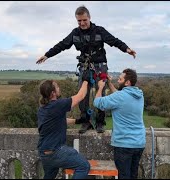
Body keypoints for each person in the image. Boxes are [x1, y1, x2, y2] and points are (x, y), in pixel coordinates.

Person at [36, 5, 137, 134]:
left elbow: (114, 41)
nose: (82, 23)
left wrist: (127, 49)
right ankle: (86, 121)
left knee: (101, 94)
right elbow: (62, 45)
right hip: (85, 66)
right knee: (83, 95)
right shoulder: (75, 33)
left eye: (84, 20)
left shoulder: (99, 31)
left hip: (100, 65)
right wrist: (47, 55)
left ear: (89, 18)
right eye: (79, 21)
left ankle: (100, 122)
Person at [37, 70, 91, 179]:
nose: (59, 88)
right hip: (56, 152)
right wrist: (85, 80)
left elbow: (60, 120)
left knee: (49, 175)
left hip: (44, 153)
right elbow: (80, 96)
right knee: (83, 166)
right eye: (57, 87)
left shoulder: (43, 108)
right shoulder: (57, 104)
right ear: (53, 93)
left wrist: (77, 121)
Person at [93, 68, 146, 179]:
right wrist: (110, 83)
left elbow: (98, 103)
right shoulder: (139, 95)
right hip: (139, 143)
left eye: (120, 79)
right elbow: (120, 95)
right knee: (133, 175)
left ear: (127, 82)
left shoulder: (120, 97)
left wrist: (100, 88)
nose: (118, 80)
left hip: (124, 144)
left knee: (124, 176)